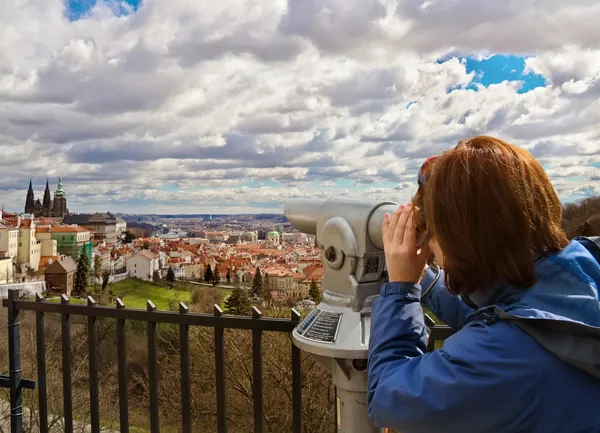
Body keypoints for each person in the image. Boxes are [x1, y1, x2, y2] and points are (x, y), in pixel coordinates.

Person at [367, 136, 600, 433]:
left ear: (460, 240)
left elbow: (387, 398)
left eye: (433, 232)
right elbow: (513, 315)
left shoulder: (504, 360)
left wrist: (401, 292)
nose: (432, 245)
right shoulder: (581, 269)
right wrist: (424, 278)